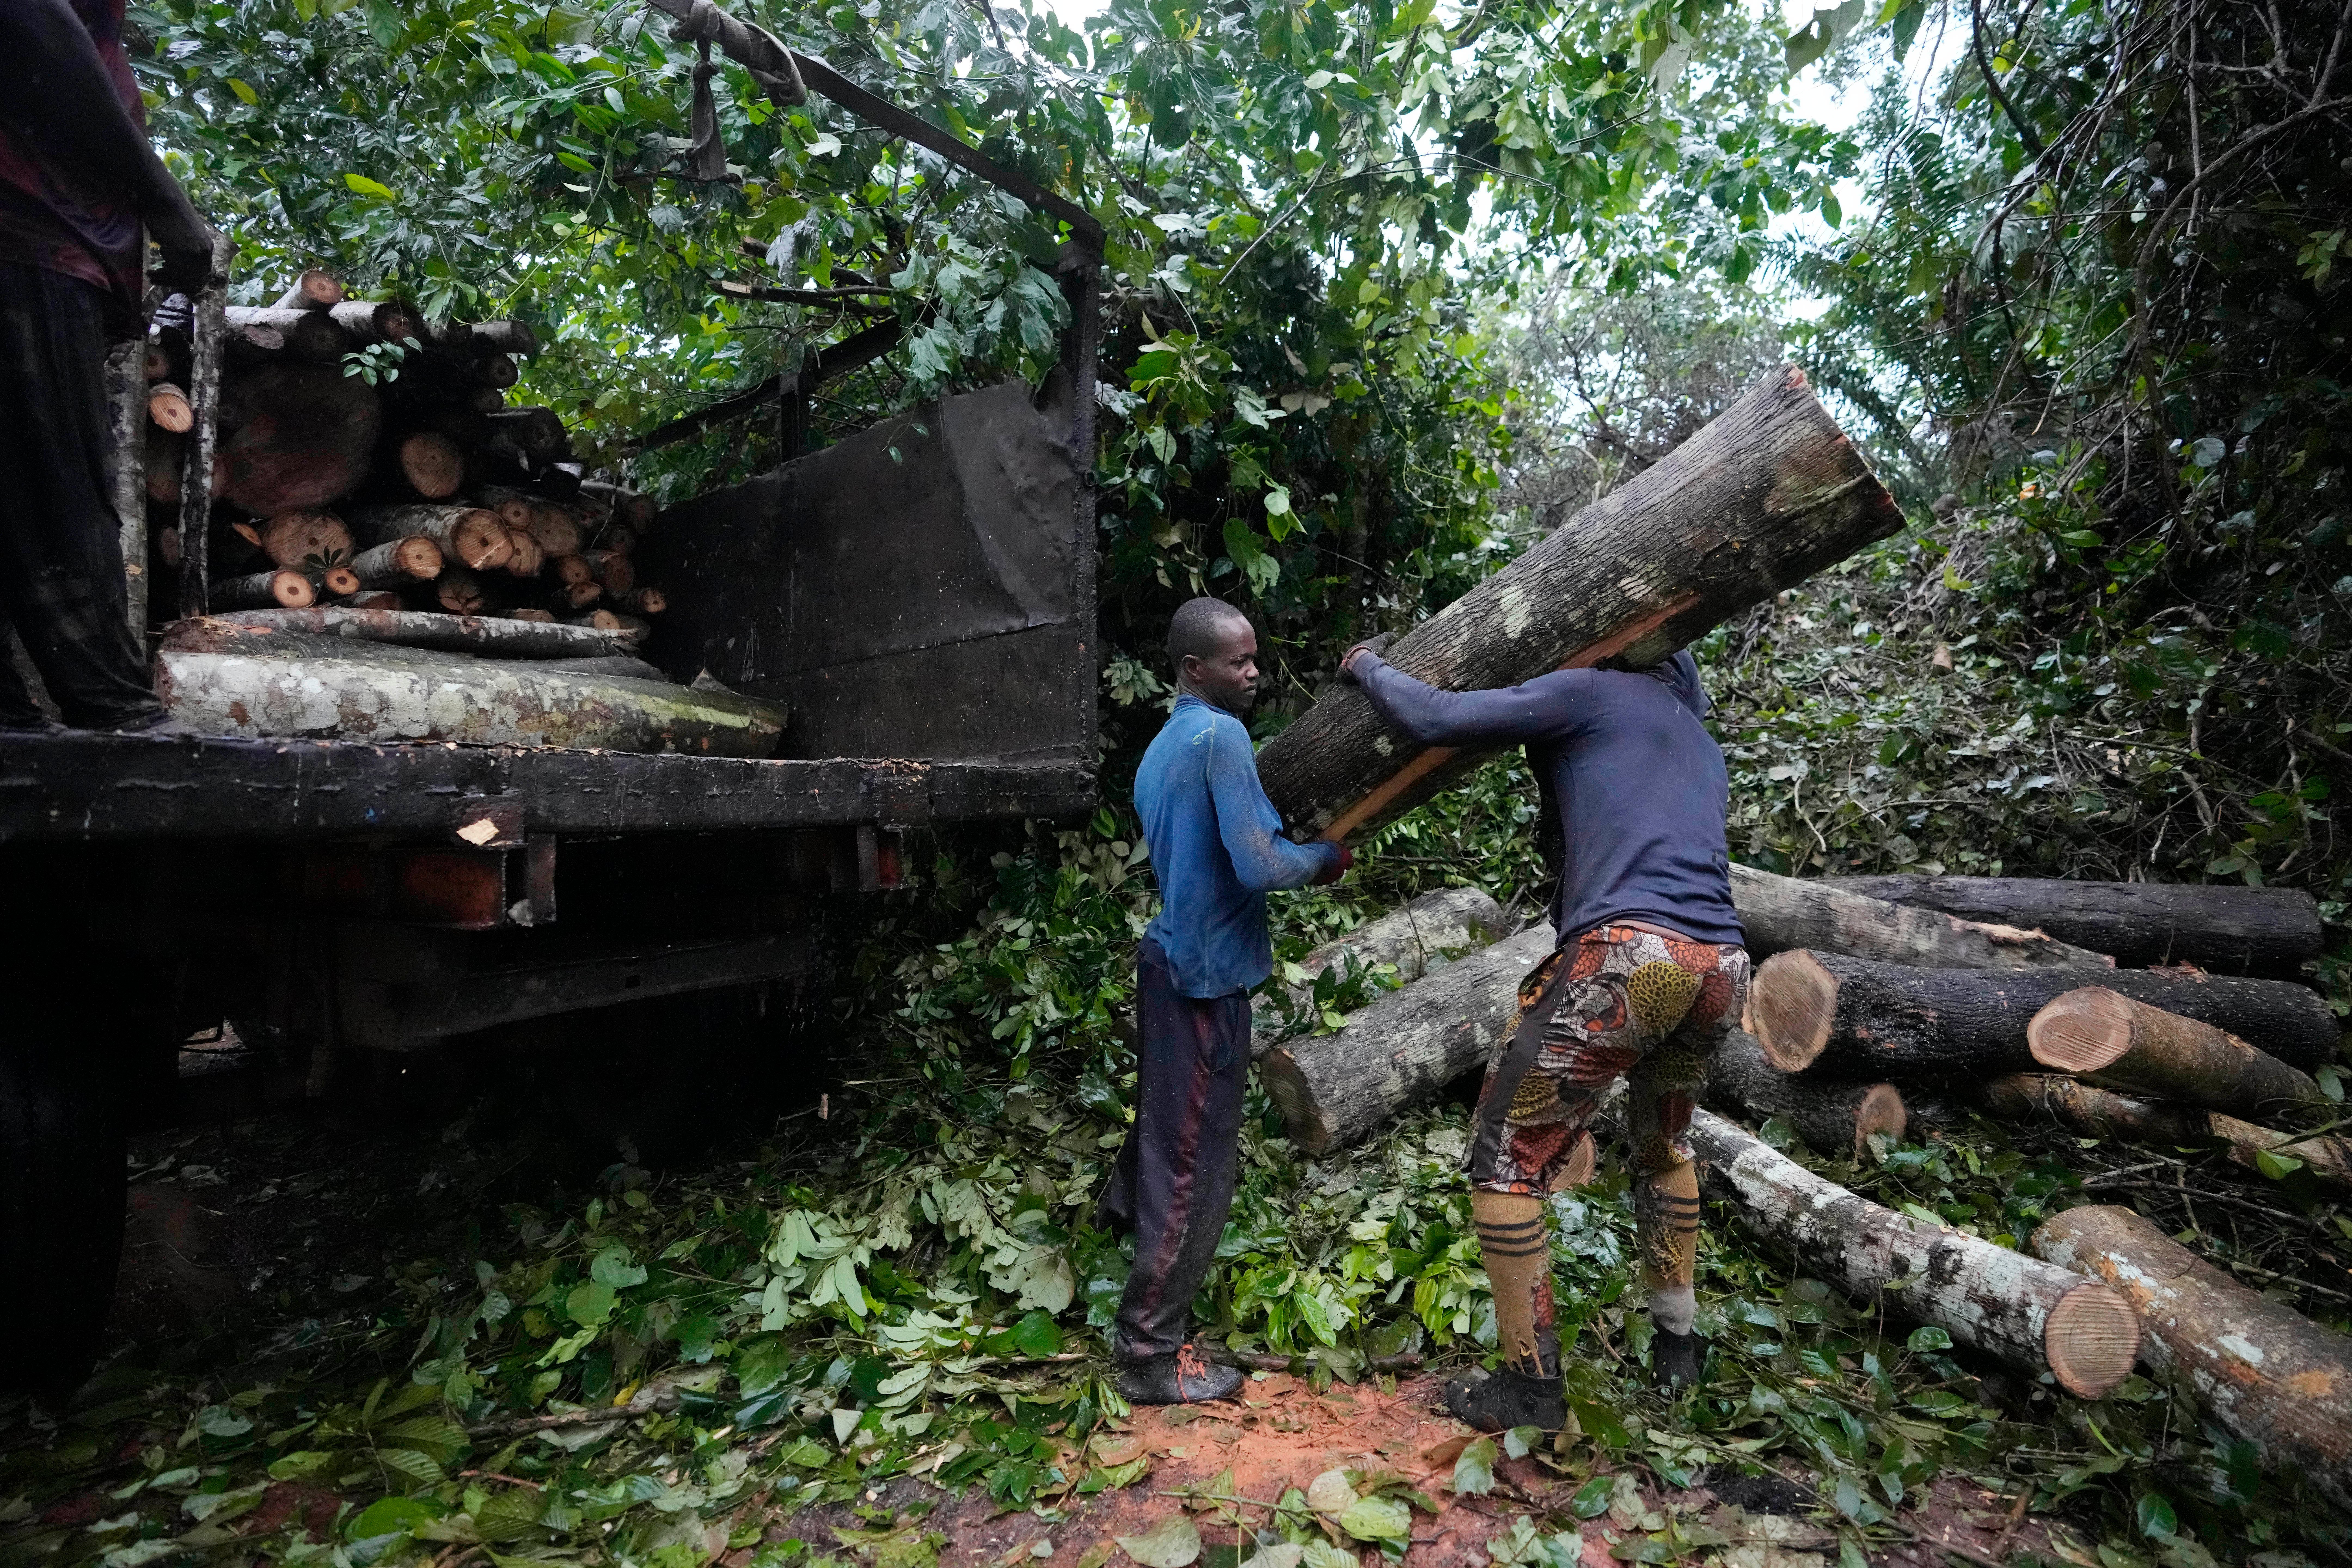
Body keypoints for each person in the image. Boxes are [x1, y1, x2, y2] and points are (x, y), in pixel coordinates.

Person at [1339, 641, 1747, 1426]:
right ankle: (1678, 1351)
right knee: (1665, 1147)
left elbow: (1435, 718)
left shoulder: (1591, 692)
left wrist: (1366, 665)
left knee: (1505, 1154)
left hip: (1632, 958)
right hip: (1724, 966)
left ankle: (1531, 1390)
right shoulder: (1693, 733)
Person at [1101, 597, 1349, 1404]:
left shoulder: (1165, 745)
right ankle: (1148, 1353)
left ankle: (1114, 1221)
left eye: (1254, 658)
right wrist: (1324, 858)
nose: (1254, 673)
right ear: (1192, 669)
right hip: (1206, 982)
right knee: (1193, 1166)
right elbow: (1258, 864)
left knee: (1164, 1127)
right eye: (1238, 662)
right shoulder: (1221, 736)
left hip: (1170, 959)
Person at [0, 0, 222, 734]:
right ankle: (107, 697)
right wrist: (165, 203)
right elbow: (39, 29)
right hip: (31, 224)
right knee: (53, 473)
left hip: (45, 226)